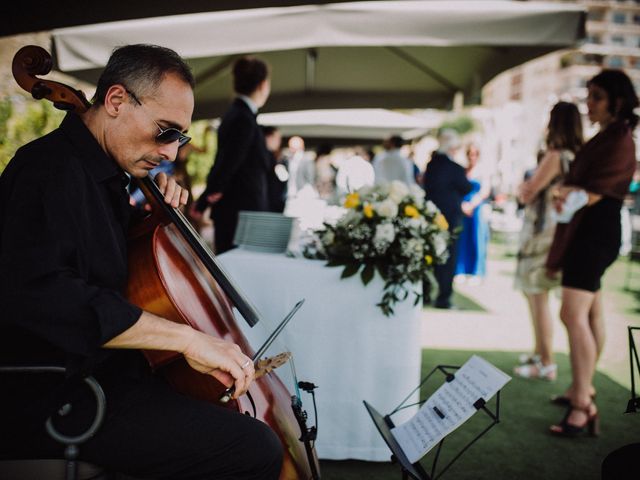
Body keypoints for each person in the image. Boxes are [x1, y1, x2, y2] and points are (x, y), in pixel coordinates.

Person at [0, 44, 282, 479]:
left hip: (111, 379)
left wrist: (153, 222)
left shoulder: (111, 181)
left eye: (180, 138)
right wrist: (186, 339)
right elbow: (43, 294)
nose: (171, 153)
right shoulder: (46, 170)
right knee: (254, 446)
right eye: (165, 131)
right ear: (115, 101)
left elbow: (116, 269)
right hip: (56, 393)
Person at [546, 70, 637, 437]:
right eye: (589, 95)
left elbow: (594, 191)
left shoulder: (619, 139)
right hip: (592, 231)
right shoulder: (609, 136)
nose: (589, 103)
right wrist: (568, 189)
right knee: (591, 313)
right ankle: (581, 387)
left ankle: (583, 402)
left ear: (616, 100)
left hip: (595, 233)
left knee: (572, 314)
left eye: (596, 96)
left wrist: (564, 190)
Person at [512, 102, 584, 381]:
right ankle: (540, 352)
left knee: (537, 296)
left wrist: (523, 188)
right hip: (559, 232)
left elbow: (528, 193)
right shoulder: (576, 155)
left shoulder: (556, 155)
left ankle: (545, 362)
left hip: (542, 234)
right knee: (538, 296)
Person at [191, 56, 272, 254]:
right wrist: (203, 202)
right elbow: (227, 164)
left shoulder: (238, 114)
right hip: (240, 217)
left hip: (239, 213)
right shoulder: (242, 118)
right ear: (263, 85)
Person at [422, 129, 473, 309]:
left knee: (429, 255)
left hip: (431, 215)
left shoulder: (431, 165)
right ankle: (443, 297)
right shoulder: (454, 168)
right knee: (448, 257)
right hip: (449, 218)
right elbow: (466, 187)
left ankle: (426, 292)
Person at [454, 144, 490, 284]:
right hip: (464, 207)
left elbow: (484, 191)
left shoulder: (482, 171)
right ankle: (461, 270)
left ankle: (477, 272)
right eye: (470, 153)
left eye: (474, 154)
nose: (472, 156)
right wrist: (463, 205)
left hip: (477, 208)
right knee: (462, 238)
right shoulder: (463, 170)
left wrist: (472, 205)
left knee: (477, 238)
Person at [262, 125, 288, 213]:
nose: (279, 142)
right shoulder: (266, 157)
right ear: (268, 137)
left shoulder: (275, 157)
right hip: (268, 204)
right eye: (277, 138)